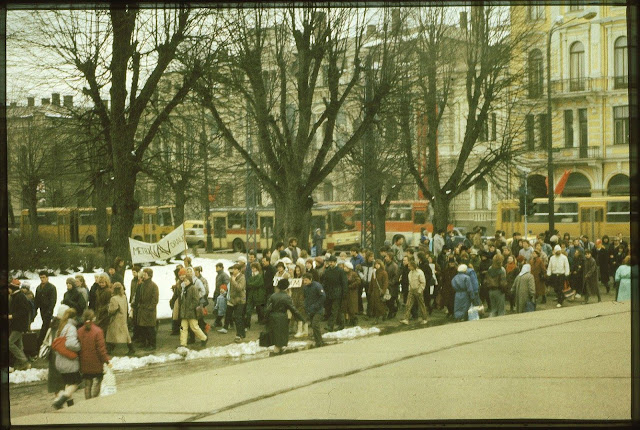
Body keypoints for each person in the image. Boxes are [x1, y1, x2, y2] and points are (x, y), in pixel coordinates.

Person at [77, 309, 112, 400]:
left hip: (84, 362)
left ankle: (88, 401)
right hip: (96, 362)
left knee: (88, 384)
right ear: (94, 318)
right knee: (98, 381)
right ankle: (94, 399)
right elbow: (101, 349)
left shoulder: (79, 331)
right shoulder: (98, 331)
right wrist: (107, 360)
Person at [51, 308, 82, 410]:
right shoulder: (71, 327)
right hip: (69, 361)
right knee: (76, 382)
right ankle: (60, 400)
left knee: (68, 384)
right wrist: (79, 346)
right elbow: (70, 343)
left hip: (60, 360)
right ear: (74, 317)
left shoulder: (61, 327)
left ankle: (70, 405)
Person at [265, 279, 305, 354]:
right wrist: (301, 318)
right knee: (280, 337)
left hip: (272, 317)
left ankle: (278, 351)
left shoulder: (273, 296)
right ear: (286, 287)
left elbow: (267, 308)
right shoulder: (286, 297)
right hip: (282, 317)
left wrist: (265, 319)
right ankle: (276, 352)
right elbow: (293, 309)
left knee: (276, 336)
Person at [178, 273, 208, 348]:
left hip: (191, 313)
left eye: (187, 280)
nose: (185, 282)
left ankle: (204, 338)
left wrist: (190, 308)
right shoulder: (185, 289)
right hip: (184, 313)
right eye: (184, 281)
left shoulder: (193, 288)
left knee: (194, 327)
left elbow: (196, 300)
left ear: (190, 281)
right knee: (183, 328)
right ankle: (183, 343)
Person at [8, 280, 32, 370]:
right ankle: (24, 364)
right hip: (17, 324)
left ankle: (24, 361)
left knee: (10, 343)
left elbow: (24, 311)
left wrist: (12, 316)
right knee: (19, 345)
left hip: (19, 325)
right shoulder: (16, 296)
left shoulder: (19, 297)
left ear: (13, 288)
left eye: (9, 288)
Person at [47, 305, 69, 401]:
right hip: (61, 355)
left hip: (53, 355)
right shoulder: (62, 326)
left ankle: (57, 397)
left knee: (56, 380)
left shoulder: (53, 325)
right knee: (64, 379)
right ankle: (62, 400)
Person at [106, 283, 135, 356]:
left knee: (111, 333)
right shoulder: (124, 297)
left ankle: (109, 348)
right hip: (123, 317)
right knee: (125, 333)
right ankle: (131, 347)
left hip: (116, 318)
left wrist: (108, 308)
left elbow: (113, 309)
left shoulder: (114, 298)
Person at [321, 255, 347, 332]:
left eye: (332, 262)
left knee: (334, 309)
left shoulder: (340, 271)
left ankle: (330, 325)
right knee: (336, 310)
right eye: (329, 262)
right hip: (329, 293)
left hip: (338, 292)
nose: (330, 263)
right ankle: (342, 324)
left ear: (335, 262)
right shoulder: (327, 271)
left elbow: (344, 282)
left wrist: (344, 293)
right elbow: (324, 282)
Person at [399, 260, 429, 325]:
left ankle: (425, 318)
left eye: (410, 266)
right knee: (408, 304)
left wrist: (420, 290)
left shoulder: (419, 272)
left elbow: (423, 282)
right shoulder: (410, 273)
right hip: (411, 290)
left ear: (413, 266)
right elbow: (410, 282)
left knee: (421, 305)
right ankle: (406, 318)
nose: (408, 267)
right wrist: (410, 289)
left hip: (418, 290)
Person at [137, 268, 159, 350]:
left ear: (149, 275)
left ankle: (152, 344)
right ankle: (145, 342)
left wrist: (150, 308)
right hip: (143, 309)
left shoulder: (154, 286)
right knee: (143, 328)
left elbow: (155, 299)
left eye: (145, 274)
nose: (143, 276)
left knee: (150, 329)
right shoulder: (142, 284)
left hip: (149, 311)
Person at [35, 271, 57, 350]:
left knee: (45, 326)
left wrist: (49, 310)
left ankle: (40, 343)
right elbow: (36, 301)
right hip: (42, 309)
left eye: (43, 277)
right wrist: (35, 310)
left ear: (47, 278)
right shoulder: (39, 287)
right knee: (45, 326)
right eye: (41, 278)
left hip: (48, 310)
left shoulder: (51, 287)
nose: (42, 279)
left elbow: (53, 300)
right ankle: (43, 342)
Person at [302, 273, 326, 347]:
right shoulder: (305, 287)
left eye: (306, 280)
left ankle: (320, 341)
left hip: (318, 310)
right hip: (310, 310)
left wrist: (316, 306)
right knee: (313, 326)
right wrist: (305, 306)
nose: (304, 282)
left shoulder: (317, 286)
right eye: (303, 280)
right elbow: (305, 298)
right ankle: (318, 341)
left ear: (310, 279)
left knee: (315, 324)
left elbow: (323, 297)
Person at [228, 264, 247, 342]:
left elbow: (239, 288)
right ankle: (242, 333)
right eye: (233, 269)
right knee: (238, 317)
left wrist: (233, 281)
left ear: (239, 270)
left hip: (241, 300)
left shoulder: (242, 277)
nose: (233, 271)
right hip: (234, 300)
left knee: (237, 317)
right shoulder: (232, 277)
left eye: (235, 269)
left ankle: (239, 334)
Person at [94, 273, 113, 339]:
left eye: (103, 283)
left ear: (106, 282)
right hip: (99, 312)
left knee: (104, 329)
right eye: (100, 283)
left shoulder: (108, 291)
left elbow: (109, 303)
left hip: (105, 313)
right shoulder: (98, 291)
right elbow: (97, 302)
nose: (101, 284)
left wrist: (103, 308)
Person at [384, 253, 400, 320]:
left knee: (390, 300)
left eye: (386, 256)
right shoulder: (386, 265)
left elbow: (396, 276)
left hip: (393, 286)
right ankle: (393, 310)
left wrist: (390, 283)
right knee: (387, 300)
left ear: (390, 257)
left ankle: (391, 312)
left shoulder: (394, 266)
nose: (385, 258)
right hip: (388, 285)